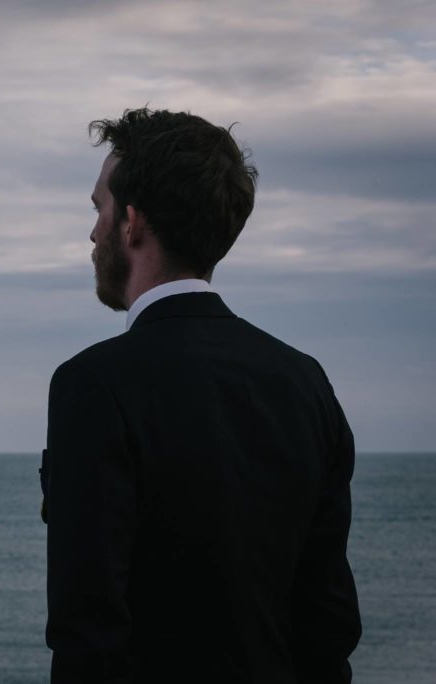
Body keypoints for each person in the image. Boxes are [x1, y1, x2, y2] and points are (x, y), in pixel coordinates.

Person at [40, 108, 361, 683]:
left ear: (132, 223)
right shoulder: (305, 383)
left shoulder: (93, 385)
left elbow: (88, 631)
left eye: (99, 210)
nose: (93, 232)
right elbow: (328, 623)